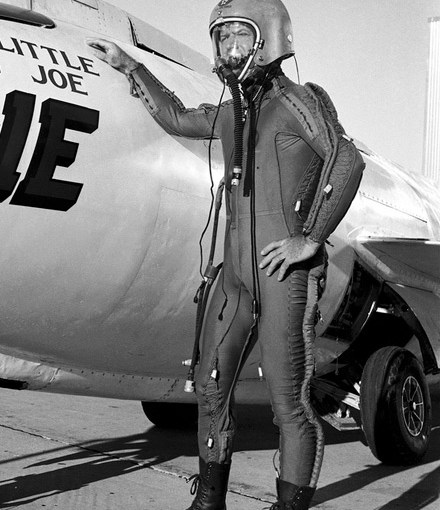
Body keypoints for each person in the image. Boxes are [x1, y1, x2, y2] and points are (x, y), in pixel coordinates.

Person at [88, 1, 364, 509]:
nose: (231, 49)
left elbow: (345, 158)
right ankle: (209, 501)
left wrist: (310, 238)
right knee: (210, 385)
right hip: (235, 278)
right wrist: (131, 67)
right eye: (223, 37)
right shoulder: (232, 113)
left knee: (289, 405)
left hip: (285, 278)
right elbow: (177, 117)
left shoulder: (297, 101)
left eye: (241, 36)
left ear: (268, 39)